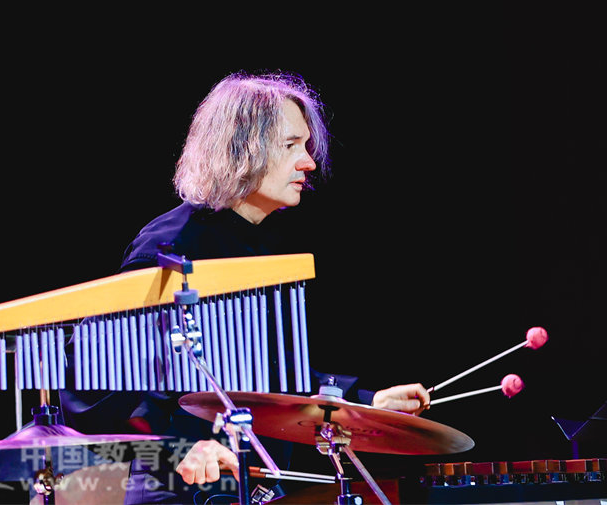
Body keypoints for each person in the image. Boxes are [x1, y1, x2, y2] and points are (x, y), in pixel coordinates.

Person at [59, 70, 431, 504]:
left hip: (249, 486)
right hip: (178, 492)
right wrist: (174, 449)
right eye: (291, 146)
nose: (308, 163)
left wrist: (363, 403)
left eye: (306, 146)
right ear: (241, 148)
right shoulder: (171, 247)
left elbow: (269, 376)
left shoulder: (261, 245)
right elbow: (91, 382)